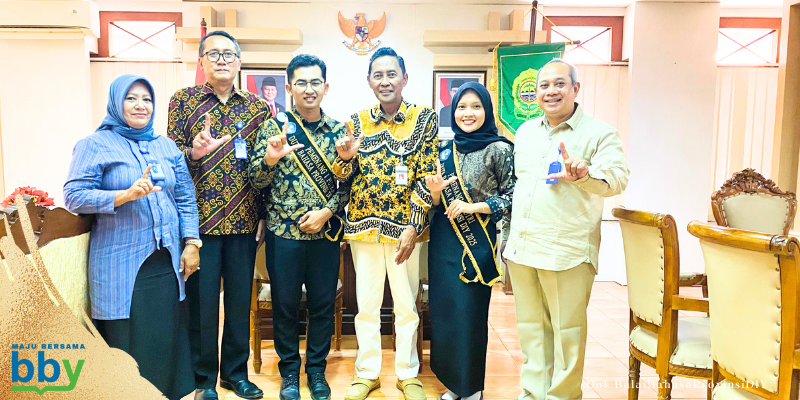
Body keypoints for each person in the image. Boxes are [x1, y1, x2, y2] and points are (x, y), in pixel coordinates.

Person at [63, 74, 198, 400]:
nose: (141, 105)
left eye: (147, 99)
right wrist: (123, 195)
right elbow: (74, 196)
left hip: (166, 262)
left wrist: (192, 242)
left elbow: (185, 197)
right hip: (121, 266)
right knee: (130, 342)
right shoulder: (94, 144)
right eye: (131, 98)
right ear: (116, 102)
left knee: (165, 337)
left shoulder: (165, 146)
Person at [504, 59, 629, 400]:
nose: (551, 91)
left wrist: (585, 175)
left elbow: (618, 178)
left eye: (559, 84)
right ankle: (532, 394)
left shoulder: (599, 132)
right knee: (531, 332)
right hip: (524, 248)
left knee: (567, 334)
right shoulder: (525, 132)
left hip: (566, 250)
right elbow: (520, 186)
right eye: (543, 86)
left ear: (575, 88)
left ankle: (562, 397)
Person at [167, 31, 269, 400]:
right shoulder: (183, 101)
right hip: (199, 226)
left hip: (244, 222)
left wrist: (264, 213)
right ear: (201, 61)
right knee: (202, 306)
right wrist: (193, 153)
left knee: (239, 304)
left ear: (239, 61)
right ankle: (203, 379)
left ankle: (235, 375)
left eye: (228, 54)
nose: (222, 59)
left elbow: (264, 165)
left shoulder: (258, 108)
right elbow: (170, 161)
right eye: (213, 54)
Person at [333, 47, 437, 400]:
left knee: (406, 306)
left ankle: (407, 373)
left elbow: (427, 175)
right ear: (369, 81)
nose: (385, 81)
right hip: (363, 229)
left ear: (404, 79)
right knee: (366, 306)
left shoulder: (424, 119)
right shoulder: (356, 121)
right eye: (378, 75)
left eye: (391, 74)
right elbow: (343, 177)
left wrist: (413, 225)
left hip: (405, 231)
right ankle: (367, 372)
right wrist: (343, 160)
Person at [248, 54, 349, 400]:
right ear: (289, 87)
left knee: (321, 306)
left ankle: (316, 372)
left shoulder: (339, 131)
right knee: (285, 307)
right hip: (283, 236)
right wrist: (269, 159)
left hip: (324, 235)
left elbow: (349, 186)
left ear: (326, 87)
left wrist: (326, 212)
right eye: (301, 82)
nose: (309, 89)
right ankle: (289, 372)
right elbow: (256, 182)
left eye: (315, 82)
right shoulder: (272, 128)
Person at [425, 82, 515, 400]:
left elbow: (512, 196)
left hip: (476, 243)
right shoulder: (443, 149)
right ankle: (454, 385)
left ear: (486, 110)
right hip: (443, 241)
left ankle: (472, 388)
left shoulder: (499, 149)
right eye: (462, 107)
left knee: (470, 316)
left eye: (476, 106)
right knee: (446, 314)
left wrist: (476, 207)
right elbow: (433, 202)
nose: (468, 113)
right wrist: (435, 194)